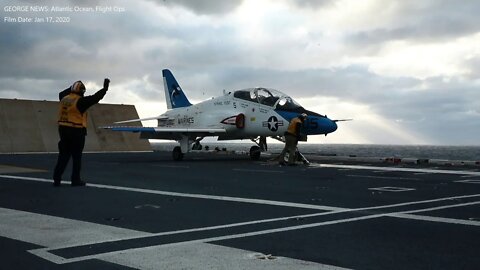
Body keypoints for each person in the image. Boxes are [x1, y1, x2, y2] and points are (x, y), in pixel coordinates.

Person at [53, 78, 110, 186]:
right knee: (76, 157)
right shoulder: (80, 101)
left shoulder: (63, 98)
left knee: (63, 156)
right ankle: (75, 180)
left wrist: (73, 85)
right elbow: (95, 98)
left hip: (63, 131)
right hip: (76, 131)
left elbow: (62, 92)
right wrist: (104, 89)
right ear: (82, 91)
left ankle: (57, 179)